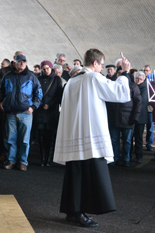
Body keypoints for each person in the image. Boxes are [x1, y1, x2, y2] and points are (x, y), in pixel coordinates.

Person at [53, 48, 131, 227]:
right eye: (102, 65)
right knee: (86, 178)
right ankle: (79, 213)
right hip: (89, 137)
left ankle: (72, 212)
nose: (102, 68)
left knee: (74, 175)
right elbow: (119, 93)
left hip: (74, 135)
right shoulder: (93, 78)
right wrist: (124, 72)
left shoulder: (73, 80)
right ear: (95, 63)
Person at [0, 54, 42, 171]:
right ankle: (11, 160)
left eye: (24, 61)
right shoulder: (7, 76)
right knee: (10, 138)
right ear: (14, 63)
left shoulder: (31, 77)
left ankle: (23, 162)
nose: (22, 63)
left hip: (25, 113)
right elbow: (2, 91)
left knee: (24, 139)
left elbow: (39, 93)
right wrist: (1, 102)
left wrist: (33, 107)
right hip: (10, 112)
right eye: (20, 61)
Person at [107, 65, 142, 167]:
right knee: (114, 140)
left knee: (127, 141)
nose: (121, 75)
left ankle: (126, 159)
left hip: (128, 119)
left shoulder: (133, 86)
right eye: (119, 73)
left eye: (123, 73)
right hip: (114, 119)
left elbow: (138, 103)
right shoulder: (113, 84)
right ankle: (115, 158)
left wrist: (135, 118)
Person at [34, 60, 62, 166]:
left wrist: (49, 105)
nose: (46, 71)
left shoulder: (57, 80)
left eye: (47, 68)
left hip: (51, 112)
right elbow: (35, 93)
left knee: (50, 136)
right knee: (40, 135)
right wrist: (41, 104)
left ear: (51, 68)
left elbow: (58, 95)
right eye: (44, 69)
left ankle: (49, 159)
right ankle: (42, 158)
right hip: (40, 111)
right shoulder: (38, 79)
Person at [133, 71, 148, 163]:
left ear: (143, 80)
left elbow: (141, 101)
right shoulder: (133, 86)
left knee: (138, 138)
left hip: (140, 117)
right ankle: (130, 155)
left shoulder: (145, 88)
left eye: (140, 79)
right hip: (132, 115)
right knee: (131, 137)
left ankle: (139, 156)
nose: (138, 81)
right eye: (137, 79)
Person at [143, 64, 154, 151]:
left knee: (150, 127)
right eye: (144, 71)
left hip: (150, 108)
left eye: (147, 71)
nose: (146, 72)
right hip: (143, 107)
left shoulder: (153, 81)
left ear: (150, 71)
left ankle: (149, 143)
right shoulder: (141, 80)